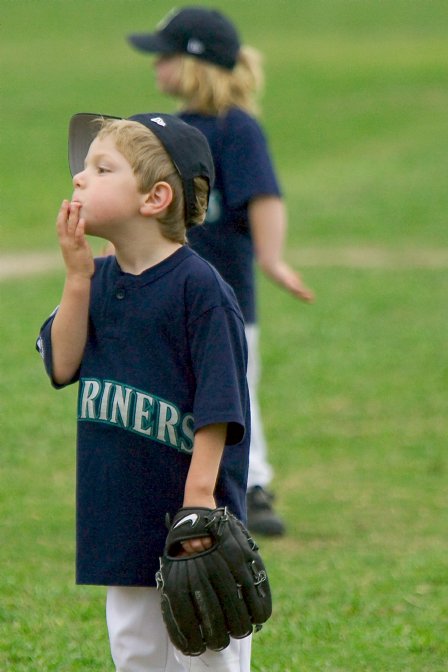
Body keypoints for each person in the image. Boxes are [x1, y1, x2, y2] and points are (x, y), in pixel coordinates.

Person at [36, 111, 252, 672]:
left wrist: (199, 501)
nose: (80, 178)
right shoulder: (97, 280)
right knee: (135, 654)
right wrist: (77, 278)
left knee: (206, 654)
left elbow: (220, 405)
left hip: (191, 522)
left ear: (155, 198)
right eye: (83, 167)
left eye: (102, 168)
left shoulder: (199, 289)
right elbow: (62, 365)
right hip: (121, 518)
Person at [127, 6, 314, 537]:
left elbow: (264, 197)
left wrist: (272, 258)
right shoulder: (170, 130)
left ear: (193, 63)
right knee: (172, 386)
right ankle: (175, 482)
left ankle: (251, 486)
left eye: (163, 56)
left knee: (234, 388)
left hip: (227, 292)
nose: (155, 67)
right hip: (168, 288)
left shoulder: (236, 129)